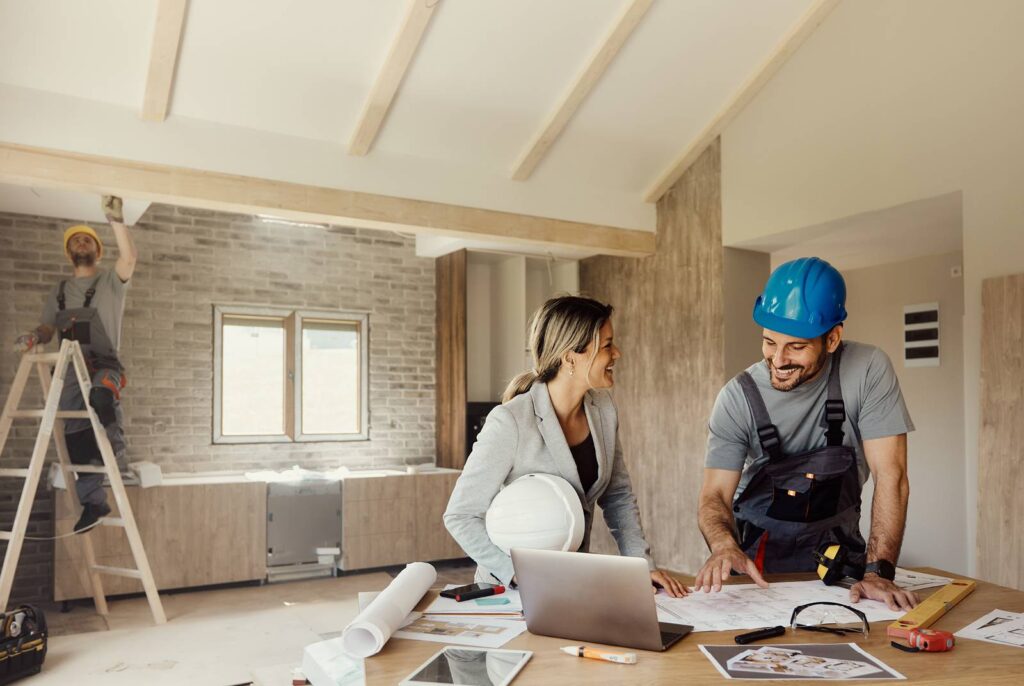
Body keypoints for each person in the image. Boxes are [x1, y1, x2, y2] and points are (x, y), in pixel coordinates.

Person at [695, 257, 919, 611]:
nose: (778, 360)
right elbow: (714, 496)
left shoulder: (868, 370)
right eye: (769, 342)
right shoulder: (738, 397)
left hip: (841, 564)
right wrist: (724, 546)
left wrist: (878, 572)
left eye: (796, 347)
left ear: (832, 338)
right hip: (756, 564)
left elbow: (892, 476)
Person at [444, 296, 687, 597]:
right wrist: (517, 575)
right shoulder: (511, 421)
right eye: (607, 345)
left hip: (571, 582)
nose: (617, 353)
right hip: (508, 590)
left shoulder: (604, 409)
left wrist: (642, 564)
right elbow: (460, 515)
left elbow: (617, 496)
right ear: (571, 357)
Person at [12, 195, 138, 533]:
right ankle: (93, 502)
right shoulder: (59, 291)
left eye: (87, 240)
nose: (81, 243)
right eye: (75, 241)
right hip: (68, 370)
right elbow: (47, 327)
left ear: (97, 251)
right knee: (75, 436)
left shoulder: (111, 282)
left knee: (101, 397)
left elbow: (129, 258)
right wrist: (33, 338)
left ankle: (116, 451)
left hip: (103, 364)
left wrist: (116, 221)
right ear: (70, 253)